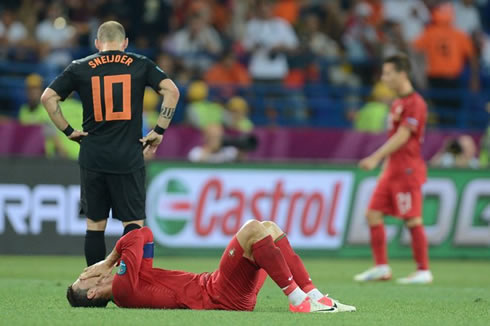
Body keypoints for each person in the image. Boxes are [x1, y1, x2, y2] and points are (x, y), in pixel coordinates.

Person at [40, 21, 180, 266]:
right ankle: (132, 285)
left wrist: (69, 131)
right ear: (124, 43)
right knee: (134, 224)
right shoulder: (140, 64)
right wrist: (158, 130)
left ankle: (93, 285)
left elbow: (48, 97)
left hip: (93, 155)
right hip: (129, 155)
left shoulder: (79, 67)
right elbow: (172, 91)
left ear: (97, 43)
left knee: (95, 224)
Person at [67, 221, 356, 313]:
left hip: (224, 291)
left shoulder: (133, 280)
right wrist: (109, 261)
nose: (84, 273)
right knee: (253, 229)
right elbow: (135, 237)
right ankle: (298, 301)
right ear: (92, 294)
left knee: (267, 228)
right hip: (219, 294)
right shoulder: (122, 289)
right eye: (82, 280)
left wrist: (110, 261)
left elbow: (145, 235)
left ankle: (314, 295)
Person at [355, 54, 433, 284]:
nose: (384, 78)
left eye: (388, 73)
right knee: (373, 214)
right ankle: (381, 268)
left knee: (412, 219)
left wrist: (376, 157)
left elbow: (403, 136)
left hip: (407, 170)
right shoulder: (397, 102)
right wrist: (385, 167)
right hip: (392, 169)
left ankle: (423, 270)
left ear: (402, 74)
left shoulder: (415, 103)